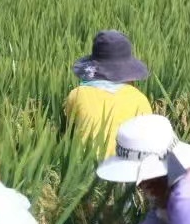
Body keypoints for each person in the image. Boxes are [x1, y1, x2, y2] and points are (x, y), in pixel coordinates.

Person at [65, 30, 153, 158]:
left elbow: (69, 129)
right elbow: (147, 139)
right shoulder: (139, 99)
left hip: (83, 164)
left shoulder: (77, 94)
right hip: (125, 165)